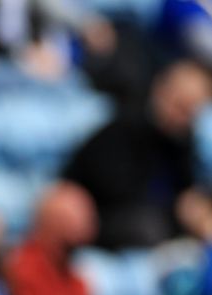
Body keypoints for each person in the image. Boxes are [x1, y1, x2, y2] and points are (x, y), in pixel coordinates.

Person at [62, 59, 212, 249]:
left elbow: (188, 191)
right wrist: (178, 209)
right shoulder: (124, 126)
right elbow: (118, 197)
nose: (182, 117)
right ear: (160, 89)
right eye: (179, 105)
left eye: (190, 112)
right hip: (98, 225)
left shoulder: (184, 142)